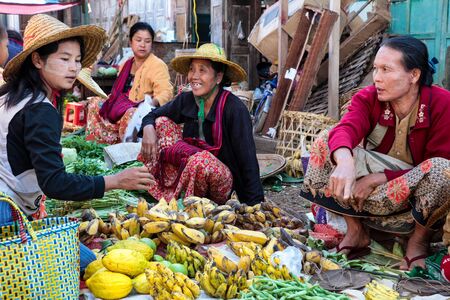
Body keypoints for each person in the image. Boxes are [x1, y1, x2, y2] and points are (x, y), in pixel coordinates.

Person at [0, 14, 154, 272]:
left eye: (77, 60)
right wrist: (116, 180)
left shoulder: (12, 95)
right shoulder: (39, 110)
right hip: (7, 215)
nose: (73, 68)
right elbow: (55, 183)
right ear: (38, 59)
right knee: (90, 266)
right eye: (64, 59)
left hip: (12, 205)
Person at [302, 35, 450, 270]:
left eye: (386, 70)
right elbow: (345, 129)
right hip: (370, 196)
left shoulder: (442, 103)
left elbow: (438, 162)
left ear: (414, 75)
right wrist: (345, 161)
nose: (377, 78)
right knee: (326, 141)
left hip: (415, 194)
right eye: (375, 69)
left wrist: (379, 178)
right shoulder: (368, 97)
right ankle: (356, 231)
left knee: (444, 169)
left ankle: (417, 243)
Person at [139, 43, 264, 205]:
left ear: (218, 77)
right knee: (161, 122)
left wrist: (256, 206)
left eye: (202, 70)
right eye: (192, 69)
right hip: (192, 173)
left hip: (224, 186)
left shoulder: (234, 109)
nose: (194, 76)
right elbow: (152, 115)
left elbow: (248, 163)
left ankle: (192, 204)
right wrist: (148, 128)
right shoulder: (187, 100)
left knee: (200, 160)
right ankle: (166, 192)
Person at [87, 22, 173, 144]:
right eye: (138, 40)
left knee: (131, 113)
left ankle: (126, 151)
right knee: (94, 103)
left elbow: (166, 92)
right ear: (131, 42)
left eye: (147, 41)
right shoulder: (126, 64)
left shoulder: (157, 65)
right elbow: (118, 91)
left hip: (141, 108)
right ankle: (98, 144)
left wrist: (150, 103)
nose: (142, 45)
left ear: (151, 44)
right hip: (123, 104)